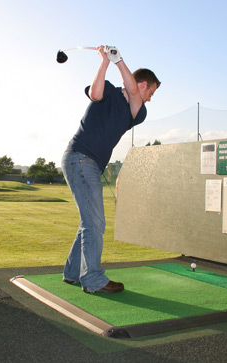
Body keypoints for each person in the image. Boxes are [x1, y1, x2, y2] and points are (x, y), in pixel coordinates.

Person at [61, 45, 160, 294]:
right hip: (80, 158)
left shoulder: (136, 111)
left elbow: (135, 96)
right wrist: (105, 61)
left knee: (89, 220)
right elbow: (95, 93)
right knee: (95, 222)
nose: (150, 98)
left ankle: (73, 273)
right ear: (143, 84)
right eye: (152, 91)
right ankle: (93, 279)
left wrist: (120, 61)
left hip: (87, 162)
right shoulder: (107, 92)